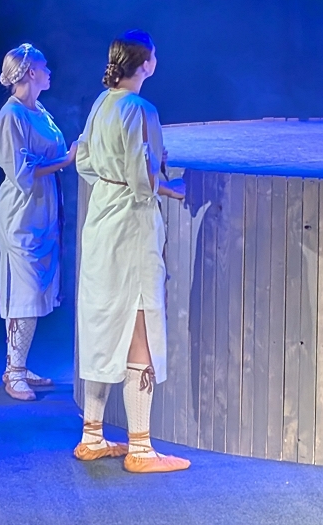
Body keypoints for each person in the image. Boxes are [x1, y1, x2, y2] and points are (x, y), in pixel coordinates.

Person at [74, 30, 189, 472]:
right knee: (139, 321)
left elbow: (84, 161)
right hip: (131, 225)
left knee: (103, 321)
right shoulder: (140, 109)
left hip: (102, 218)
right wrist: (171, 189)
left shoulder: (101, 104)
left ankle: (92, 436)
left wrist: (113, 181)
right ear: (145, 64)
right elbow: (144, 179)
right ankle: (141, 449)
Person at [0, 43, 76, 401]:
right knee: (24, 291)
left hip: (43, 209)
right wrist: (66, 161)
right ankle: (14, 372)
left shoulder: (38, 110)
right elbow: (21, 171)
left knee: (36, 288)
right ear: (30, 72)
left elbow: (53, 151)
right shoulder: (11, 115)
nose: (49, 72)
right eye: (44, 67)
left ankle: (18, 363)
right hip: (22, 212)